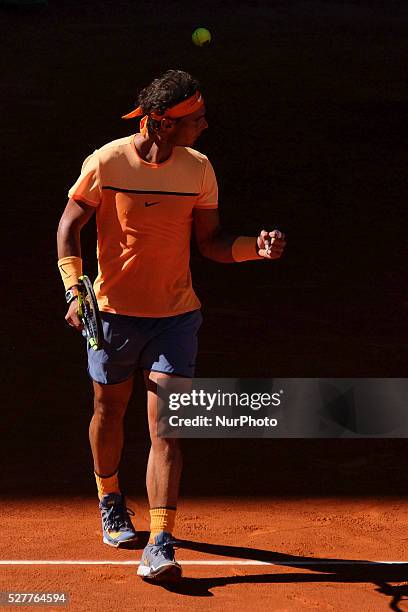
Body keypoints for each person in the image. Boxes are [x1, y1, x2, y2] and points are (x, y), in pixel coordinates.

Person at [57, 69, 286, 583]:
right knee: (107, 410)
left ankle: (161, 542)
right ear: (160, 124)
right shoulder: (106, 161)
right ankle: (110, 497)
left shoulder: (199, 169)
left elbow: (210, 243)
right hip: (113, 316)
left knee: (167, 429)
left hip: (176, 318)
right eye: (194, 118)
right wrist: (75, 287)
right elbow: (69, 226)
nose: (205, 125)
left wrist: (255, 248)